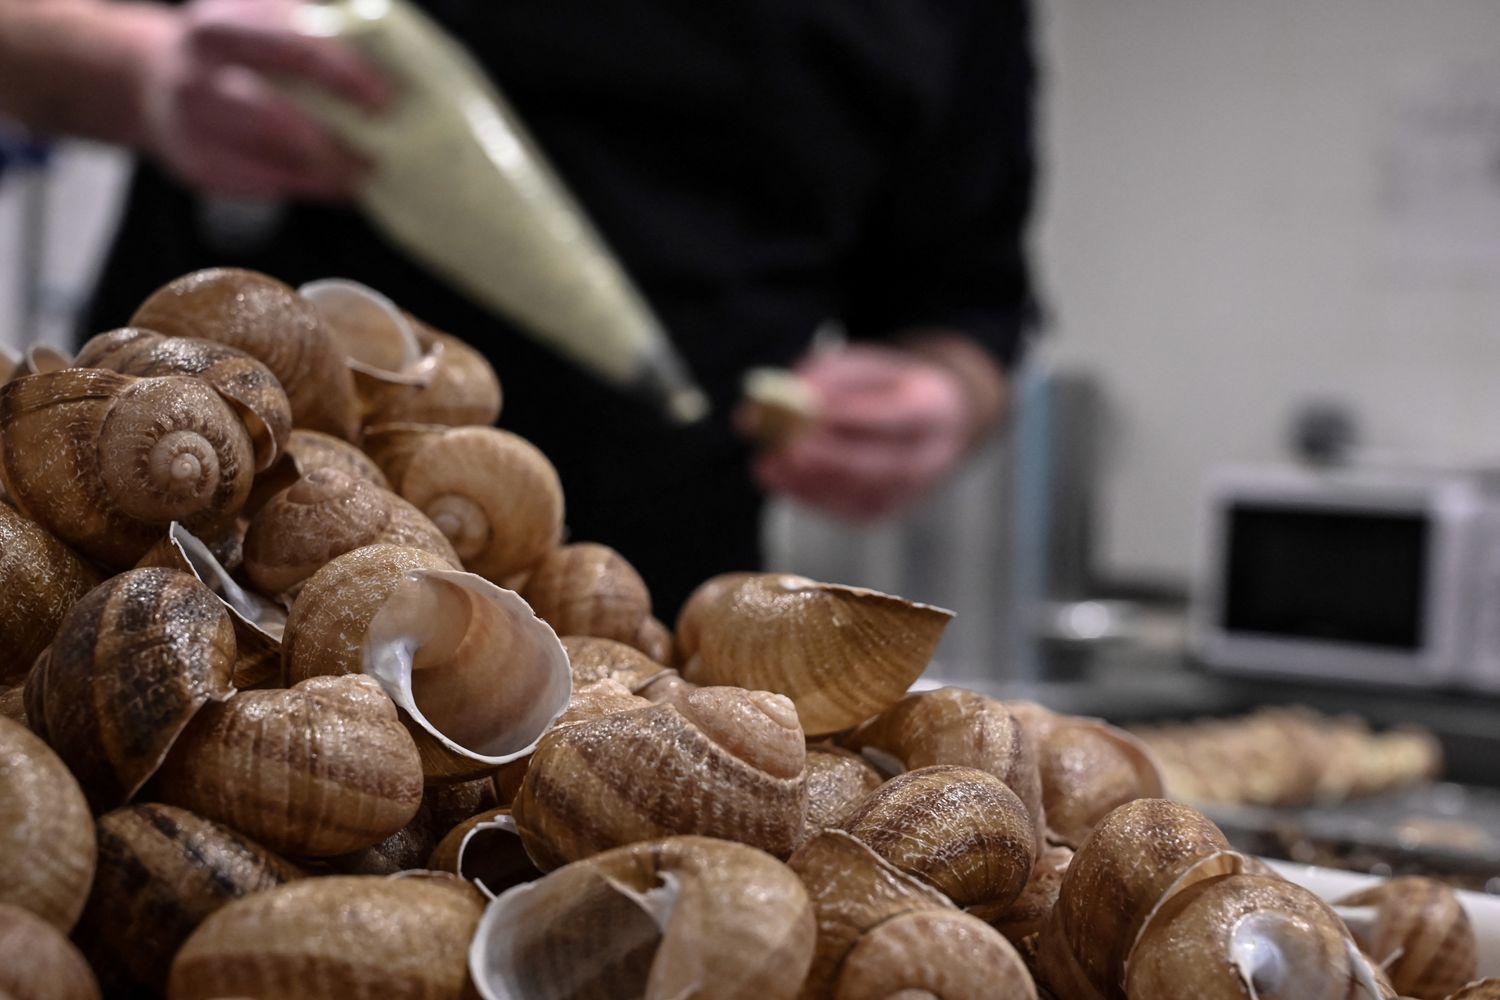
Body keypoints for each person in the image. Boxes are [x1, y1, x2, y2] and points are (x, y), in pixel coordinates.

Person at [0, 0, 1037, 616]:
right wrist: (144, 68)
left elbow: (963, 299)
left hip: (648, 615)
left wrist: (936, 394)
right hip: (177, 540)